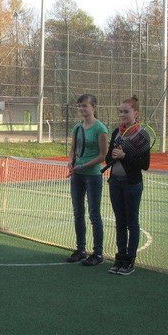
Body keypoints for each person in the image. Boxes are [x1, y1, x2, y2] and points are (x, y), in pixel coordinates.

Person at [106, 96, 151, 275]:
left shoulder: (142, 135)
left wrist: (125, 156)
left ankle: (130, 260)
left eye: (126, 111)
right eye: (121, 111)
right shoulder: (117, 133)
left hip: (132, 184)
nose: (122, 114)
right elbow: (108, 158)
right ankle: (120, 257)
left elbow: (144, 164)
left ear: (136, 113)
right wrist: (113, 155)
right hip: (115, 183)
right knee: (120, 221)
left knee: (132, 222)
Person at [66, 94, 109, 265]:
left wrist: (83, 166)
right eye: (79, 106)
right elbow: (73, 150)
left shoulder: (100, 129)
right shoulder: (77, 128)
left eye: (85, 105)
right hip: (77, 175)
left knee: (94, 214)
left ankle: (97, 253)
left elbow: (103, 156)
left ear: (94, 107)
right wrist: (71, 162)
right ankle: (81, 250)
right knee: (78, 212)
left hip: (93, 176)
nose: (81, 109)